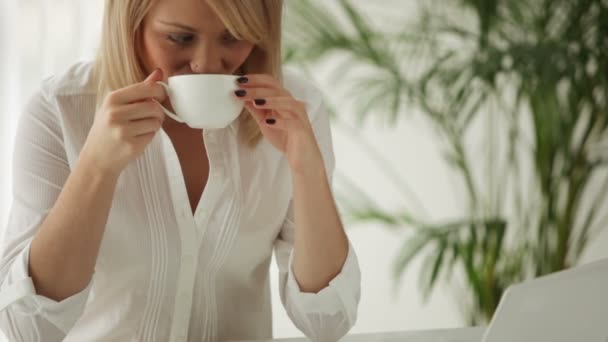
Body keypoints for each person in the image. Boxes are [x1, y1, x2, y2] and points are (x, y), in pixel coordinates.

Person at [0, 0, 361, 341]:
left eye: (234, 36)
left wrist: (305, 166)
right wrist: (96, 167)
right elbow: (29, 328)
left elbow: (326, 321)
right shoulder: (61, 109)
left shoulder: (295, 111)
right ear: (130, 23)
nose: (206, 63)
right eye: (180, 38)